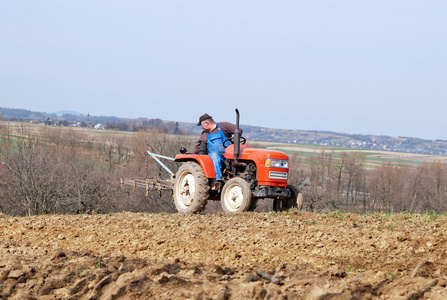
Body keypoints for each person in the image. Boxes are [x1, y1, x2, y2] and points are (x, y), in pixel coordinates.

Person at [193, 113, 242, 183]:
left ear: (206, 123)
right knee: (214, 155)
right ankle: (218, 180)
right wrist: (193, 155)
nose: (201, 127)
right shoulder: (205, 133)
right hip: (214, 156)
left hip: (229, 154)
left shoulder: (223, 126)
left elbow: (239, 130)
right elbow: (198, 144)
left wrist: (233, 142)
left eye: (201, 125)